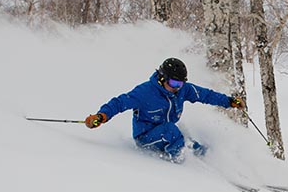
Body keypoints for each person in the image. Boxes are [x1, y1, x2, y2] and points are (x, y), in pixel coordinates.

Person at [85, 57, 245, 162]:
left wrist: (229, 101)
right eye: (174, 84)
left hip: (169, 133)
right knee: (171, 131)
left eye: (180, 84)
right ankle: (181, 165)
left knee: (196, 146)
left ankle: (208, 162)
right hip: (146, 138)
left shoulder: (183, 90)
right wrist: (102, 116)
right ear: (162, 79)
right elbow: (119, 103)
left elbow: (206, 95)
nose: (177, 88)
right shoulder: (145, 92)